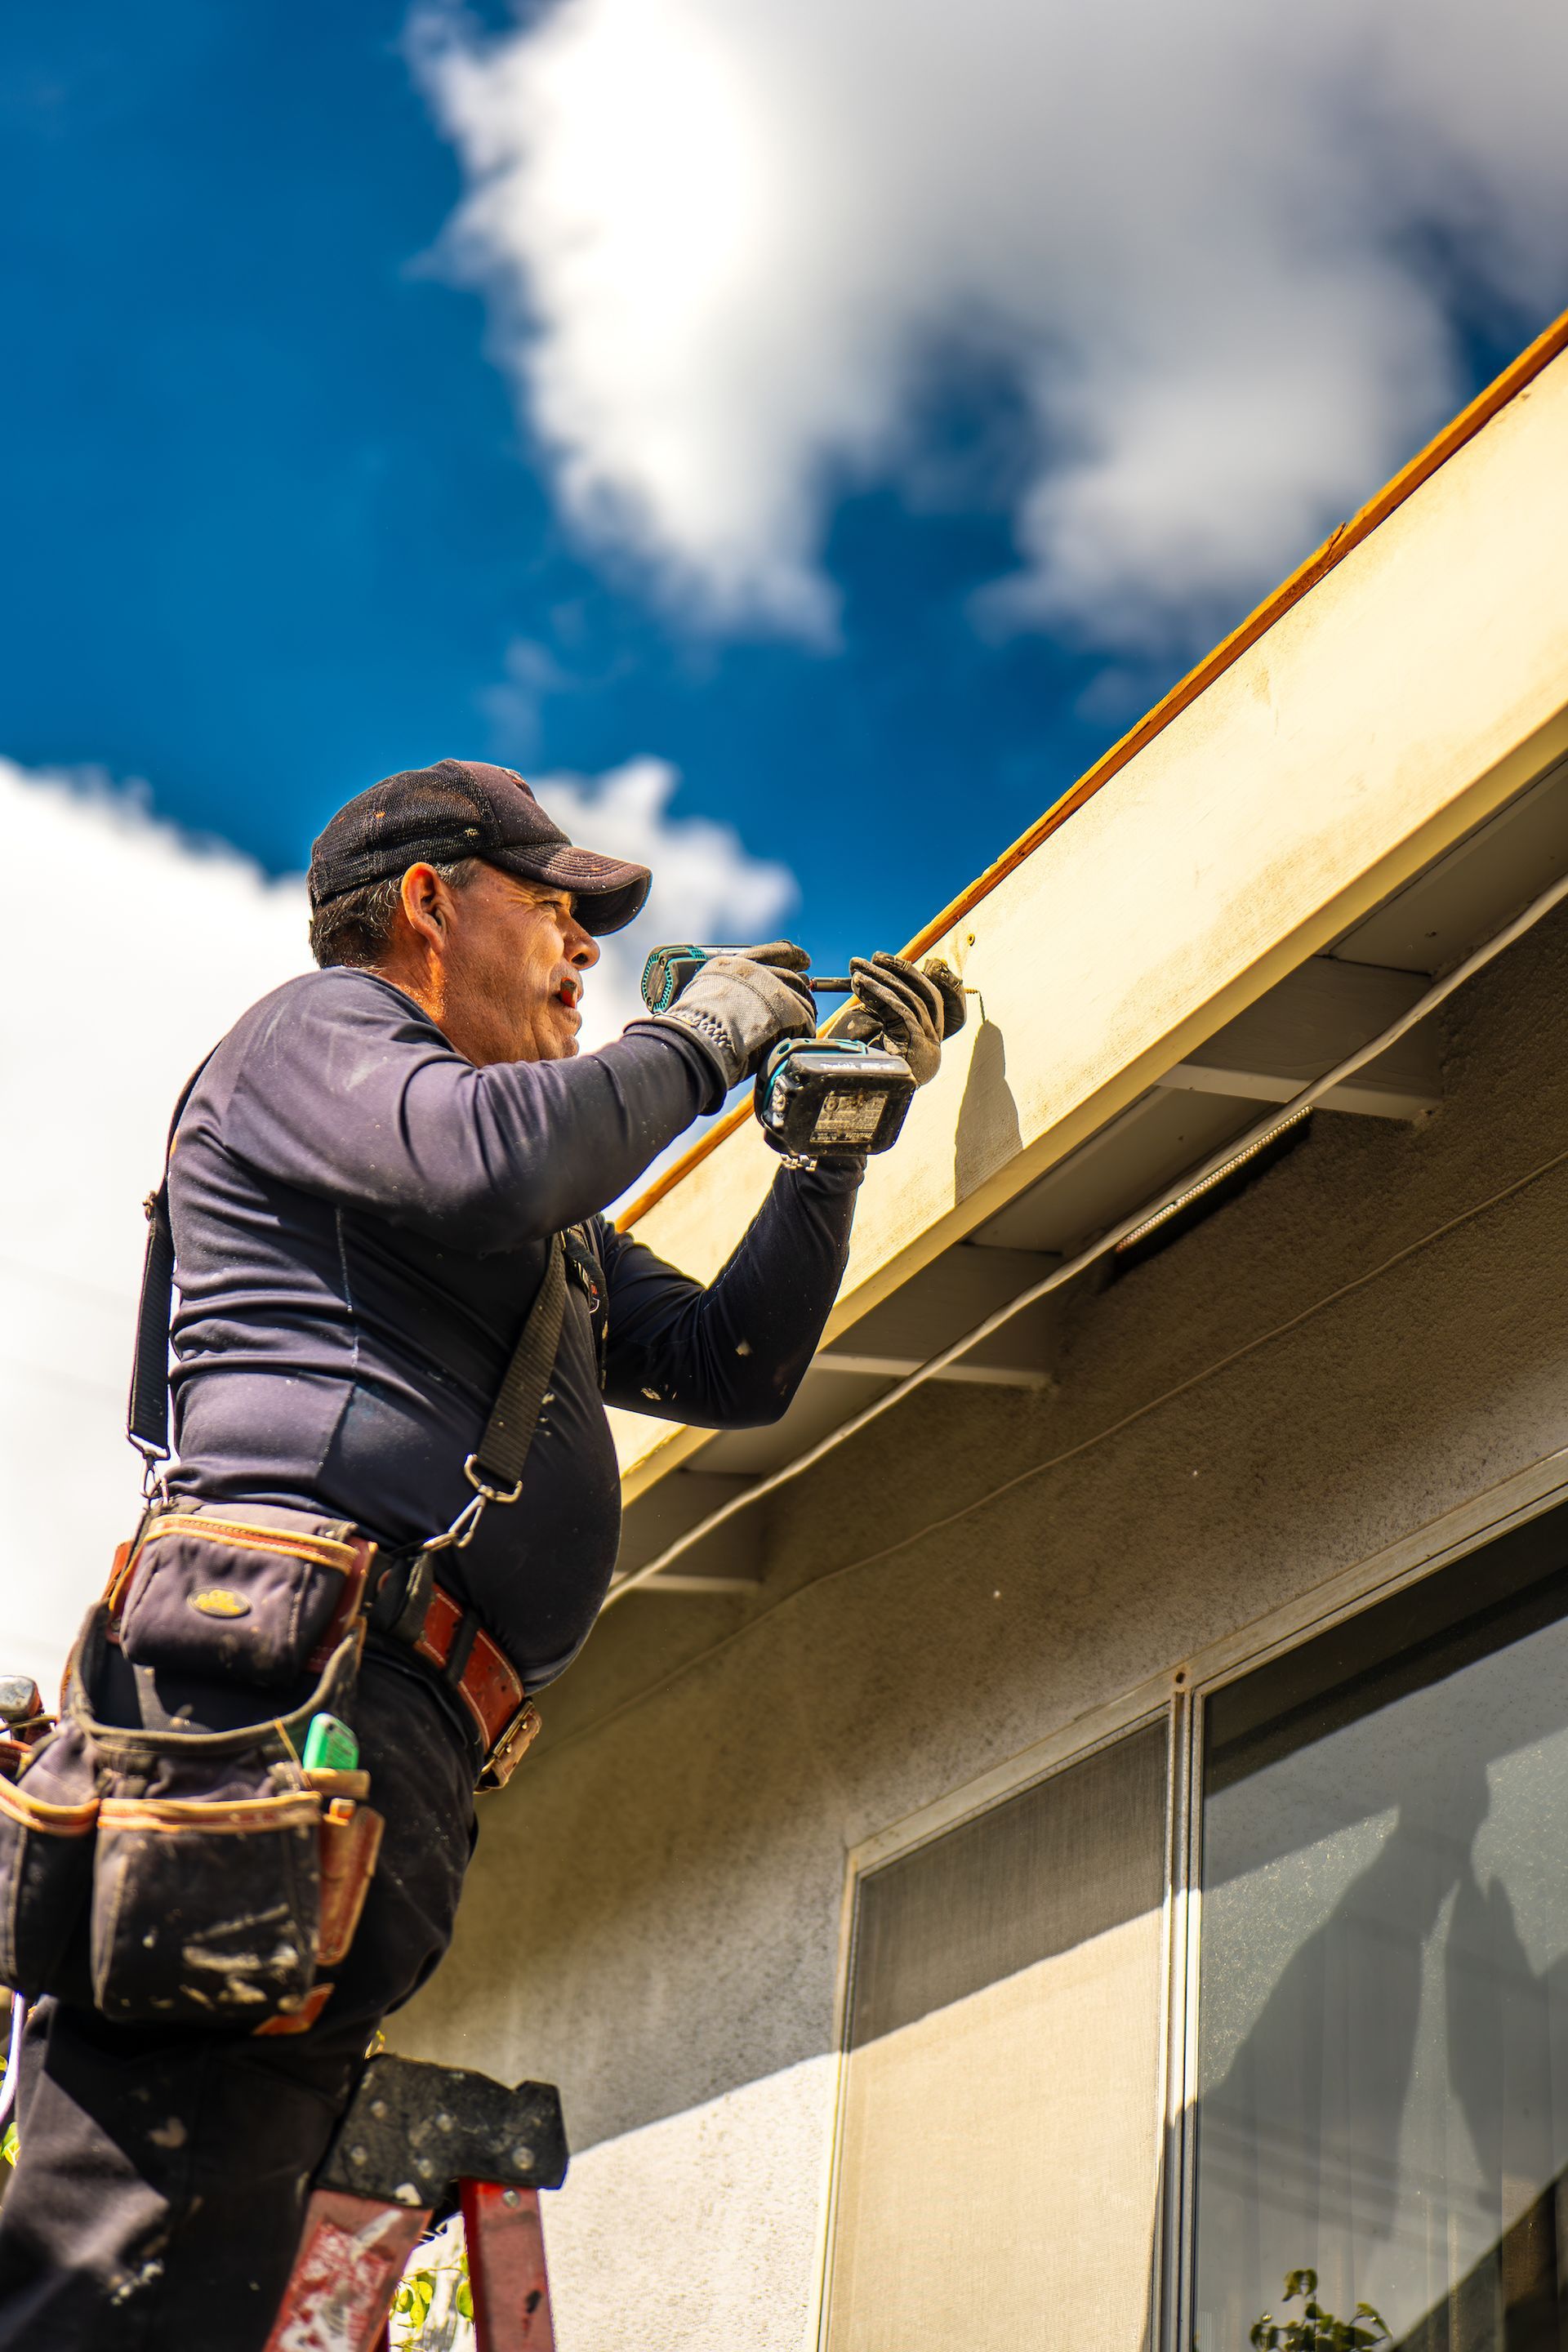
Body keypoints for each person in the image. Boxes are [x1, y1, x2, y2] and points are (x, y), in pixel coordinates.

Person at [0, 758, 951, 2347]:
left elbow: (731, 1363)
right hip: (262, 1689)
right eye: (558, 907)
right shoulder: (321, 1042)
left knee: (215, 2264)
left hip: (375, 1740)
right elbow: (506, 1152)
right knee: (126, 2263)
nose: (587, 946)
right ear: (430, 908)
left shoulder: (540, 1213)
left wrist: (828, 1147)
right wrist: (700, 1036)